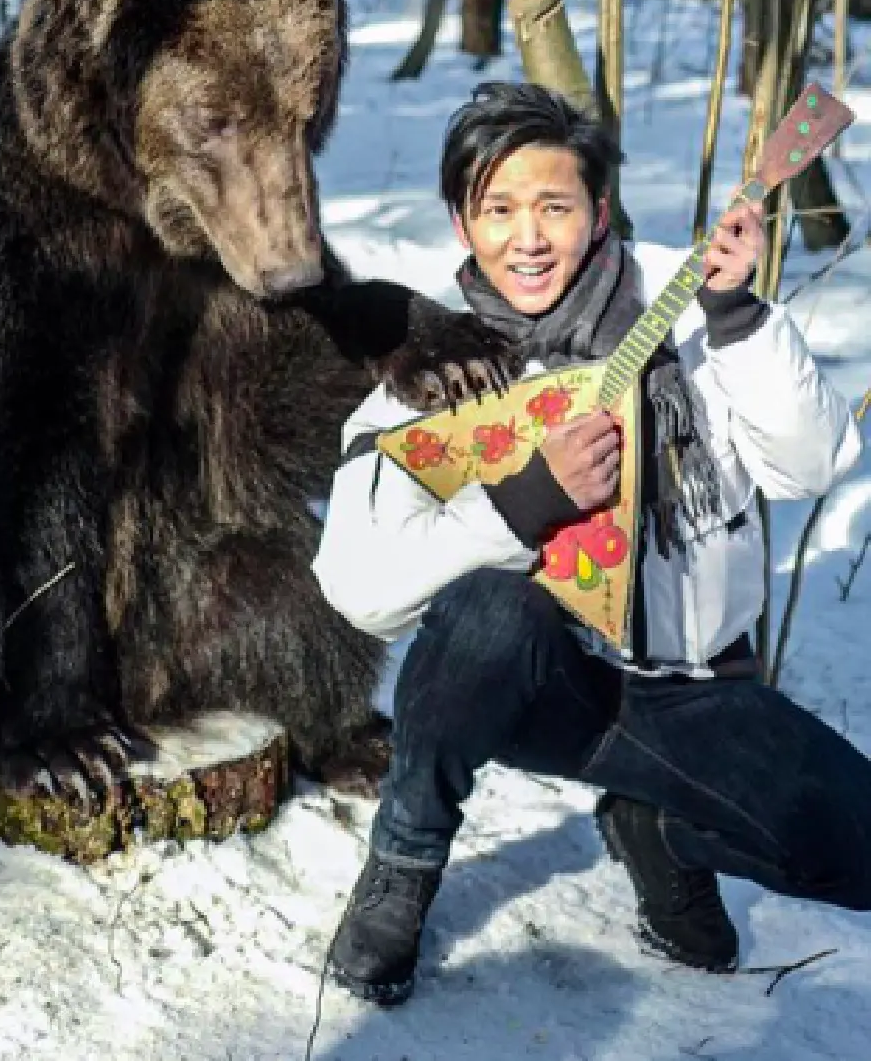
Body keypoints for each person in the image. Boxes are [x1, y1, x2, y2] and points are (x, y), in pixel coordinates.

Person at [312, 81, 867, 1007]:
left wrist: (736, 317)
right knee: (491, 607)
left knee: (851, 840)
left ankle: (661, 829)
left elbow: (812, 466)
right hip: (540, 687)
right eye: (499, 209)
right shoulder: (438, 366)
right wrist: (526, 496)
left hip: (691, 689)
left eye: (555, 207)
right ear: (463, 222)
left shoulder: (690, 305)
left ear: (598, 211)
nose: (528, 237)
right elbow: (357, 583)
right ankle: (406, 853)